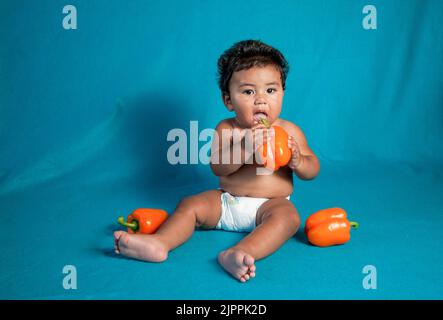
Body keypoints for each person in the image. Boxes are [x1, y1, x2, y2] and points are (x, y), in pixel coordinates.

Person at [114, 39, 320, 282]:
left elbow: (312, 169)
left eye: (271, 90)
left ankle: (239, 253)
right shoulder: (227, 128)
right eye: (248, 91)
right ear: (228, 100)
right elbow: (218, 166)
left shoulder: (290, 131)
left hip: (270, 205)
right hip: (226, 203)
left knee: (289, 218)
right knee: (190, 204)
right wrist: (244, 147)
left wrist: (297, 160)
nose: (261, 99)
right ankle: (160, 243)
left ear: (282, 93)